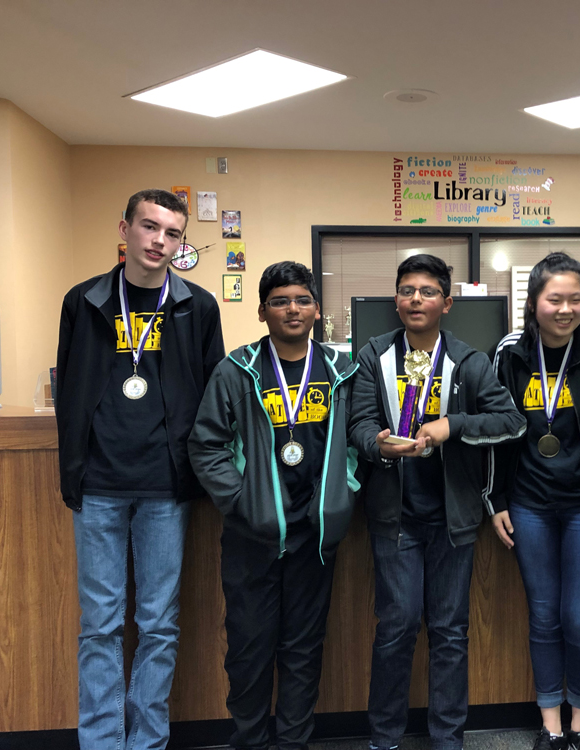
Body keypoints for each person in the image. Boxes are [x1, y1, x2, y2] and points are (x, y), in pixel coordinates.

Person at [55, 188, 225, 750]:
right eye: (150, 227)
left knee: (158, 626)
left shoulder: (198, 306)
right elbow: (70, 393)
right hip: (99, 484)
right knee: (99, 628)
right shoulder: (84, 301)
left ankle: (147, 741)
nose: (159, 241)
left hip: (165, 488)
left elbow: (211, 396)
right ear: (124, 228)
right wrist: (73, 468)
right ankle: (103, 744)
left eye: (172, 233)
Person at [347, 253, 526, 750]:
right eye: (407, 290)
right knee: (397, 628)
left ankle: (448, 738)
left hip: (453, 521)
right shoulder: (372, 355)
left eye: (427, 291)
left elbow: (511, 421)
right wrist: (375, 444)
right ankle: (383, 738)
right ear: (396, 299)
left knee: (449, 633)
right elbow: (357, 421)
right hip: (394, 519)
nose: (415, 299)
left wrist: (454, 427)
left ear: (446, 303)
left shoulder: (469, 361)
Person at [189, 261, 360, 750]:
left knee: (304, 651)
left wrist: (340, 493)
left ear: (316, 309)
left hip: (315, 533)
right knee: (248, 650)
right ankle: (249, 741)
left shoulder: (338, 371)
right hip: (253, 534)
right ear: (262, 310)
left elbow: (354, 442)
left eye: (302, 300)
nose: (293, 309)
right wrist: (241, 502)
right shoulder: (236, 369)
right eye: (281, 301)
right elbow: (207, 444)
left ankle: (293, 743)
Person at [485, 252, 580, 750]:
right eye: (555, 299)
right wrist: (496, 500)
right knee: (544, 616)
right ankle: (550, 724)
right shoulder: (509, 352)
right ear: (533, 303)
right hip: (529, 506)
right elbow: (492, 433)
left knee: (579, 617)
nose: (566, 308)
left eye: (576, 298)